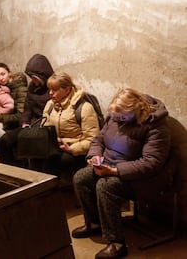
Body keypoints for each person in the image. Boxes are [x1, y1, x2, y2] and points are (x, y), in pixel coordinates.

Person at [72, 88, 171, 259]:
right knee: (81, 178)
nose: (117, 120)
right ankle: (95, 222)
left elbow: (151, 163)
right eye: (115, 117)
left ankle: (116, 243)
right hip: (110, 166)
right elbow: (99, 139)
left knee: (106, 185)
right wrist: (95, 155)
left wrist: (114, 171)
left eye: (122, 117)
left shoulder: (155, 125)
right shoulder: (115, 117)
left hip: (143, 178)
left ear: (136, 110)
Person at [37, 72, 100, 176]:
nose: (50, 93)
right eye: (50, 89)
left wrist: (71, 149)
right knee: (35, 156)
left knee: (56, 161)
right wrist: (51, 140)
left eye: (55, 90)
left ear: (67, 90)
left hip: (77, 151)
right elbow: (45, 128)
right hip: (56, 147)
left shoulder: (84, 107)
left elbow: (93, 139)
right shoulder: (50, 105)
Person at [0, 54, 53, 167]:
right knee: (5, 139)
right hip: (31, 125)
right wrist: (24, 123)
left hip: (45, 126)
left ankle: (27, 173)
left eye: (34, 77)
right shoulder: (32, 87)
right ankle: (8, 170)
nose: (32, 80)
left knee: (30, 143)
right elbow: (27, 109)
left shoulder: (52, 88)